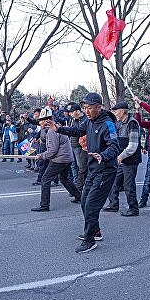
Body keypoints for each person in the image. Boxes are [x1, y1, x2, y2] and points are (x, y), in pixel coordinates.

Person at [50, 92, 120, 253]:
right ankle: (95, 231)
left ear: (99, 107)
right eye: (85, 108)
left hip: (106, 171)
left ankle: (90, 241)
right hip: (93, 169)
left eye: (90, 108)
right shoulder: (89, 122)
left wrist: (103, 155)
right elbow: (76, 130)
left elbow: (115, 146)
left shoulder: (108, 124)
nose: (86, 111)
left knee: (91, 205)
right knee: (84, 200)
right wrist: (59, 129)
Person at [31, 107, 81, 212]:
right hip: (66, 158)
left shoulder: (52, 131)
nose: (39, 123)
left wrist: (41, 156)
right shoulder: (55, 128)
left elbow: (52, 151)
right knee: (64, 179)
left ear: (46, 121)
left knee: (45, 179)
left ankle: (44, 205)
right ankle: (79, 196)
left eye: (40, 121)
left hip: (60, 159)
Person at [104, 101, 142, 216]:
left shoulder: (132, 123)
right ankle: (113, 204)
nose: (114, 113)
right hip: (121, 159)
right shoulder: (119, 123)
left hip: (130, 160)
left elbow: (133, 146)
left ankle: (133, 209)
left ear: (122, 111)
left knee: (128, 185)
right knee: (113, 182)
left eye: (115, 111)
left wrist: (121, 156)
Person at [67, 103, 88, 194]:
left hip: (82, 147)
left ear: (77, 111)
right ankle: (77, 187)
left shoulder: (85, 120)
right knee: (75, 166)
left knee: (82, 167)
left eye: (71, 112)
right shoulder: (74, 120)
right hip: (73, 145)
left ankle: (83, 188)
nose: (70, 114)